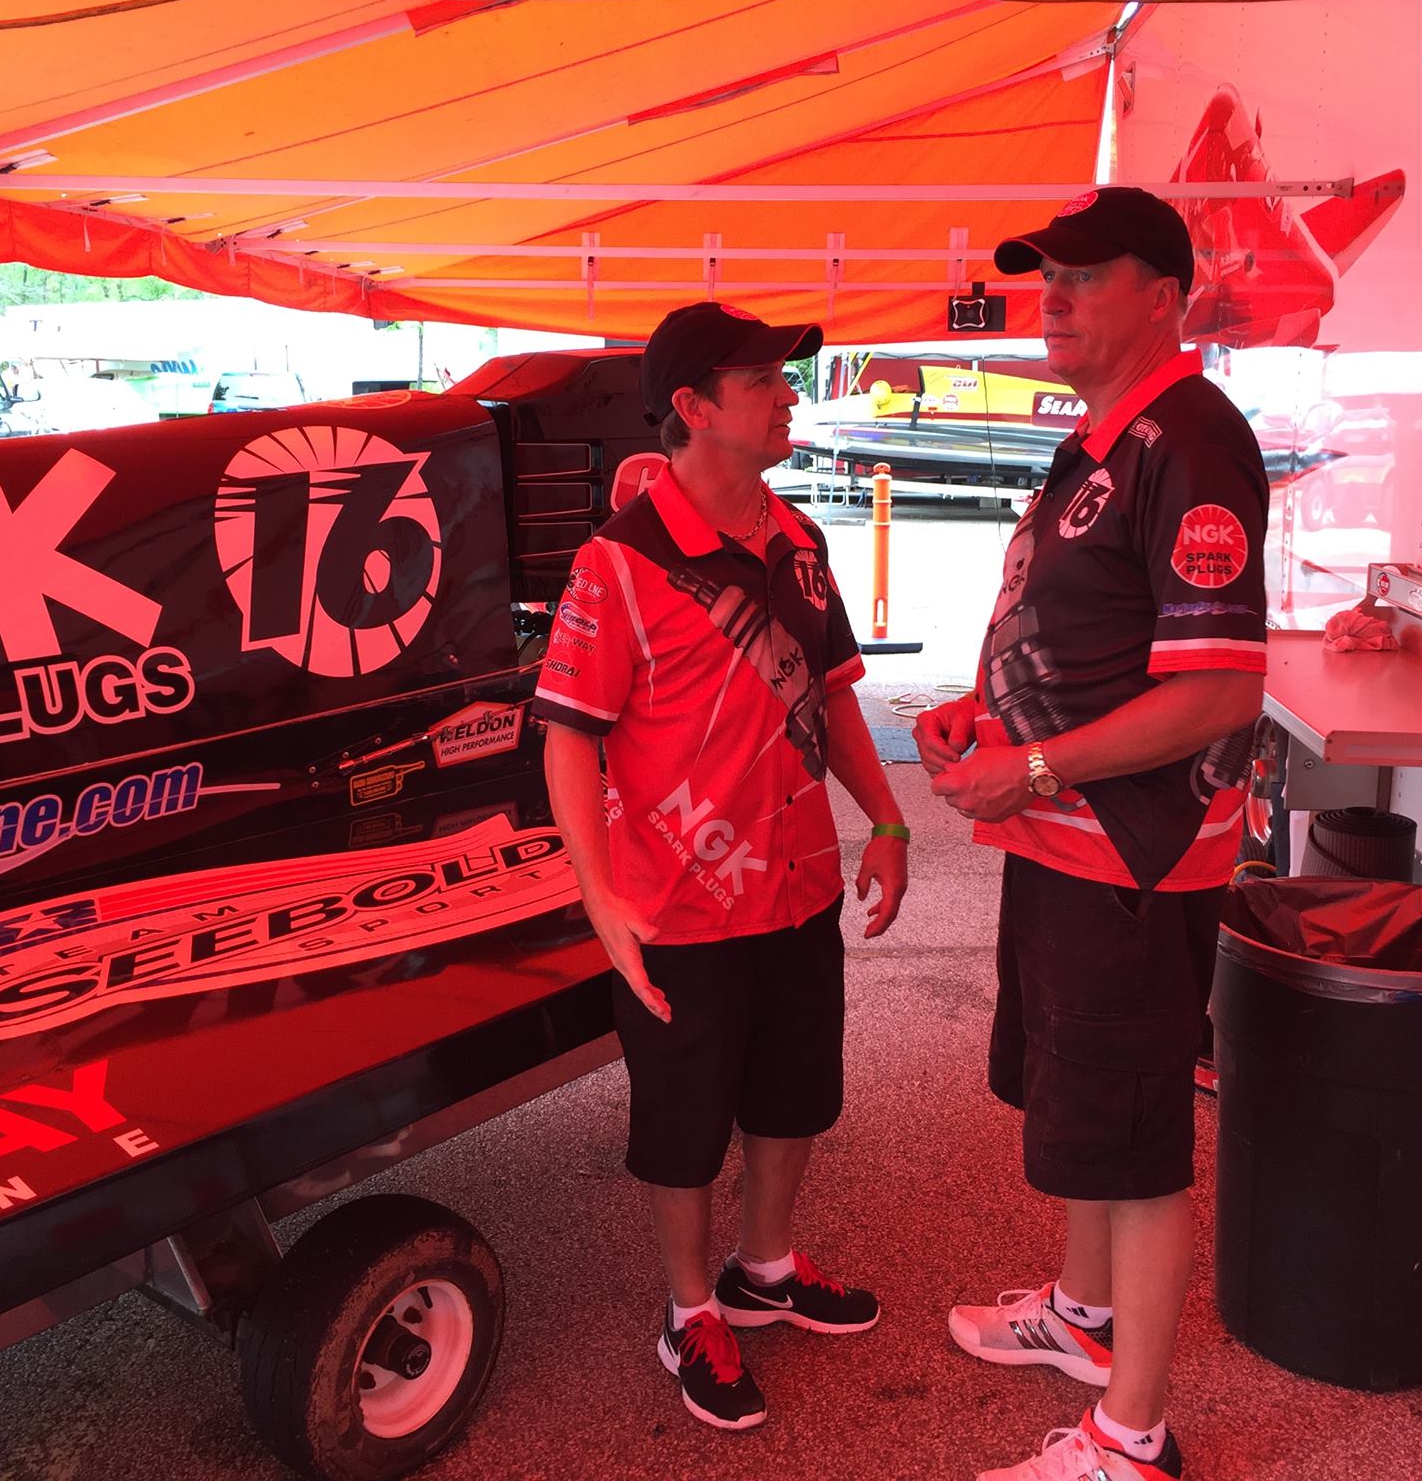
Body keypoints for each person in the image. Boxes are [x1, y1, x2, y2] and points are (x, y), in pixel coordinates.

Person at [915, 188, 1268, 1481]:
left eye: (1083, 276)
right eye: (1044, 276)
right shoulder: (1103, 439)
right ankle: (1082, 1317)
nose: (1050, 297)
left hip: (1132, 854)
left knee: (1134, 1140)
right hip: (1065, 841)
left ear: (1163, 298)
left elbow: (1219, 693)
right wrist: (983, 713)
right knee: (1083, 1106)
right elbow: (1087, 635)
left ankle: (1134, 1436)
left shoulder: (1193, 441)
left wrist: (1034, 764)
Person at [533, 301, 909, 1432]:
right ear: (693, 408)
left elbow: (833, 694)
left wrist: (887, 822)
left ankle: (766, 1270)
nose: (790, 395)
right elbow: (567, 736)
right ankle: (689, 1307)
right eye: (763, 381)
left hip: (798, 885)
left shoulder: (799, 541)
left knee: (796, 1092)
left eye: (785, 379)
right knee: (685, 1123)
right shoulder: (618, 562)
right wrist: (598, 895)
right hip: (678, 906)